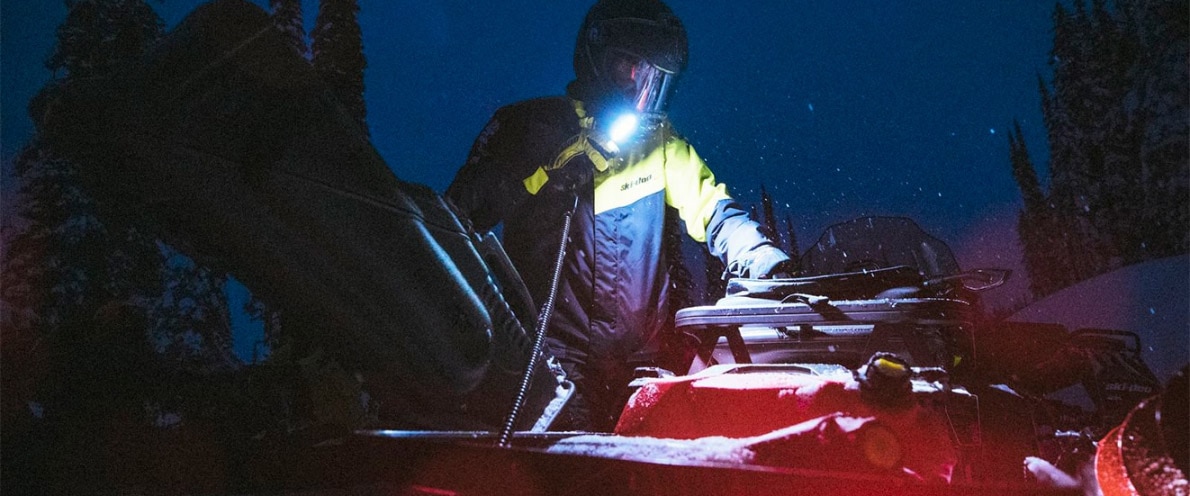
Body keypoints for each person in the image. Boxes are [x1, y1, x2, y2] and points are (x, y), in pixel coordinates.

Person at [446, 0, 793, 431]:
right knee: (572, 470)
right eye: (628, 67)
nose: (637, 85)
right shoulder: (528, 127)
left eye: (652, 78)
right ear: (596, 59)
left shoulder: (660, 144)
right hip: (553, 363)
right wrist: (550, 168)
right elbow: (459, 217)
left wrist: (759, 255)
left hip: (644, 361)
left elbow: (714, 209)